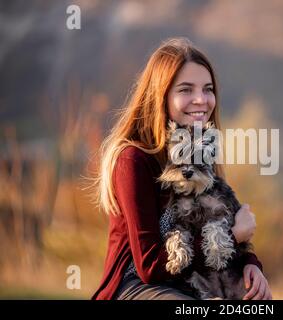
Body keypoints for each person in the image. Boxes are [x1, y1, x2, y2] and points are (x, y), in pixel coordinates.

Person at [91, 37, 272, 300]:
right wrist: (233, 236)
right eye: (186, 90)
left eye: (208, 89)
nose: (201, 99)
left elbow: (218, 220)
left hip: (189, 281)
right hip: (137, 286)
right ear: (160, 95)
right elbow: (150, 266)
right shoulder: (133, 159)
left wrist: (251, 265)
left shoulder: (202, 153)